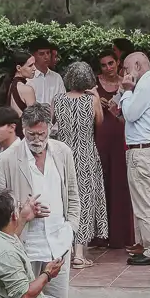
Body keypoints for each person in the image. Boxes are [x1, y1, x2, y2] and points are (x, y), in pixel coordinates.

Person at [0, 104, 81, 298]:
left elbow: (73, 193)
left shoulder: (63, 152)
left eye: (41, 134)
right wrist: (22, 210)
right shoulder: (5, 160)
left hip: (58, 243)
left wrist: (71, 229)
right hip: (24, 244)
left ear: (50, 128)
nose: (37, 139)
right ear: (23, 129)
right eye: (31, 134)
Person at [52, 61, 108, 267]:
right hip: (86, 155)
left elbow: (51, 123)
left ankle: (63, 249)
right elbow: (99, 122)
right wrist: (95, 96)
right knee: (85, 201)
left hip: (62, 155)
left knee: (64, 200)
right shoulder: (91, 100)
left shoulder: (57, 99)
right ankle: (79, 253)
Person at [121, 49, 150, 266]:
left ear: (137, 66)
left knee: (145, 201)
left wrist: (127, 91)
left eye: (126, 69)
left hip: (142, 150)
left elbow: (130, 114)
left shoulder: (145, 84)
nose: (124, 74)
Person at [93, 47, 136, 248]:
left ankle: (120, 234)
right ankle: (100, 234)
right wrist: (95, 101)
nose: (108, 68)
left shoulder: (126, 83)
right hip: (100, 137)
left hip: (121, 136)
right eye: (104, 65)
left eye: (111, 63)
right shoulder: (94, 85)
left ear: (118, 63)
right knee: (102, 181)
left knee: (120, 183)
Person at [0, 46, 37, 116]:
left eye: (34, 64)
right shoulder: (26, 89)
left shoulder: (9, 84)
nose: (34, 68)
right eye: (30, 66)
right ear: (18, 68)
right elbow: (34, 119)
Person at [29, 39, 66, 109]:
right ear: (33, 56)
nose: (46, 57)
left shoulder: (57, 77)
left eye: (48, 53)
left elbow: (62, 101)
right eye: (41, 54)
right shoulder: (28, 78)